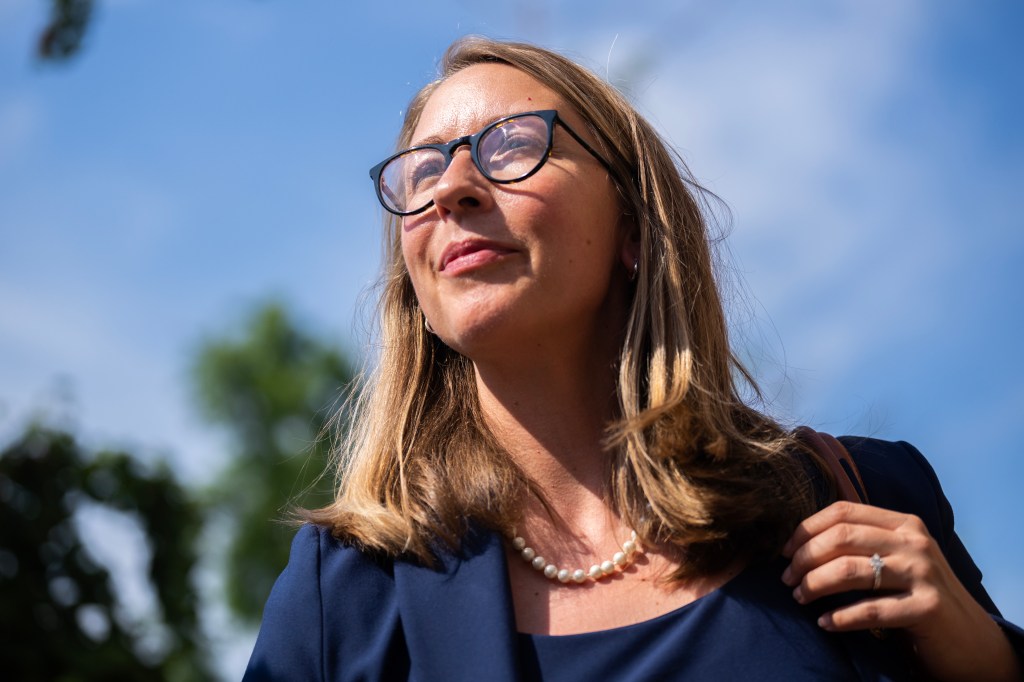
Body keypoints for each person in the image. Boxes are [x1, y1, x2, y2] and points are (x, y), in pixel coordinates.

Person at [243, 37, 1022, 681]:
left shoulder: (859, 502)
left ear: (634, 232)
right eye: (421, 171)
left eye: (511, 145)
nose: (451, 189)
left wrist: (987, 660)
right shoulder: (345, 593)